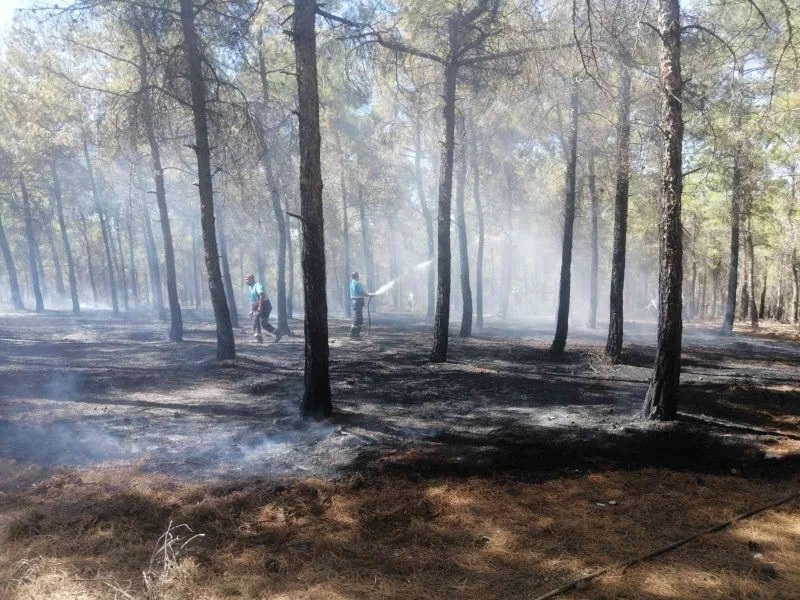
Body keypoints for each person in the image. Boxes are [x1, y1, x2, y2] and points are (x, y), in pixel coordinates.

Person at [245, 273, 281, 343]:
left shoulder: (257, 285)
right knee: (258, 321)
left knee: (262, 322)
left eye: (247, 279)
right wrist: (251, 310)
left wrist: (260, 307)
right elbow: (253, 301)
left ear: (252, 279)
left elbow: (262, 295)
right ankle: (260, 336)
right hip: (258, 305)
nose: (246, 281)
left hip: (265, 305)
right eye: (245, 280)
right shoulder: (250, 288)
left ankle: (276, 334)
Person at [349, 271, 373, 338]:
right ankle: (354, 333)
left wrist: (368, 295)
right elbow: (361, 292)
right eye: (358, 275)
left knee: (358, 318)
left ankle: (355, 334)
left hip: (354, 301)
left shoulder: (352, 283)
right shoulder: (357, 283)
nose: (359, 277)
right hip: (358, 301)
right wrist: (369, 295)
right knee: (358, 318)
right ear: (357, 276)